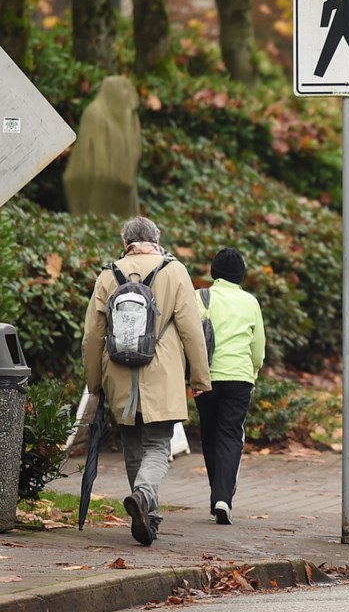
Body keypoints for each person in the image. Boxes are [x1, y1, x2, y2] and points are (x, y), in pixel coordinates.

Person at [81, 216, 211, 546]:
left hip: (118, 373)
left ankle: (147, 515)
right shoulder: (174, 270)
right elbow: (191, 330)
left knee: (132, 446)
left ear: (126, 242)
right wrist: (200, 377)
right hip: (162, 372)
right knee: (157, 445)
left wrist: (94, 382)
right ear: (156, 238)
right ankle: (143, 496)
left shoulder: (108, 274)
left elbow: (92, 336)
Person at [194, 248, 265, 525]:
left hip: (206, 379)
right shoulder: (250, 302)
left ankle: (218, 495)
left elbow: (189, 337)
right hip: (239, 379)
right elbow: (257, 349)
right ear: (241, 275)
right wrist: (253, 372)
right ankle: (223, 497)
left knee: (210, 435)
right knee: (230, 435)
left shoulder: (199, 297)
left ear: (214, 273)